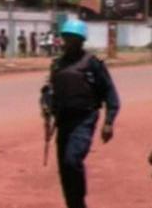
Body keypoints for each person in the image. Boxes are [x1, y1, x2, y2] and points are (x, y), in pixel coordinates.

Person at [40, 19, 120, 208]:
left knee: (72, 159)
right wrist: (46, 106)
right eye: (67, 38)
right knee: (64, 169)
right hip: (63, 121)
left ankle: (79, 201)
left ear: (81, 41)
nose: (69, 42)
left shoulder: (92, 64)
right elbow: (49, 91)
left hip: (84, 119)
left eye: (74, 39)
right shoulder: (57, 65)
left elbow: (110, 93)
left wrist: (109, 121)